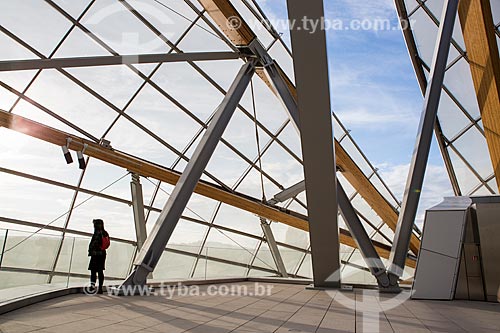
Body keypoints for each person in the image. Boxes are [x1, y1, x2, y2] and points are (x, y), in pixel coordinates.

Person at [88, 219, 109, 294]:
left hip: (96, 254)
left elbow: (95, 243)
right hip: (102, 254)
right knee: (100, 271)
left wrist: (90, 250)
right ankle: (100, 288)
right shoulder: (105, 233)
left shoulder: (97, 233)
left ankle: (92, 287)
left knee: (93, 271)